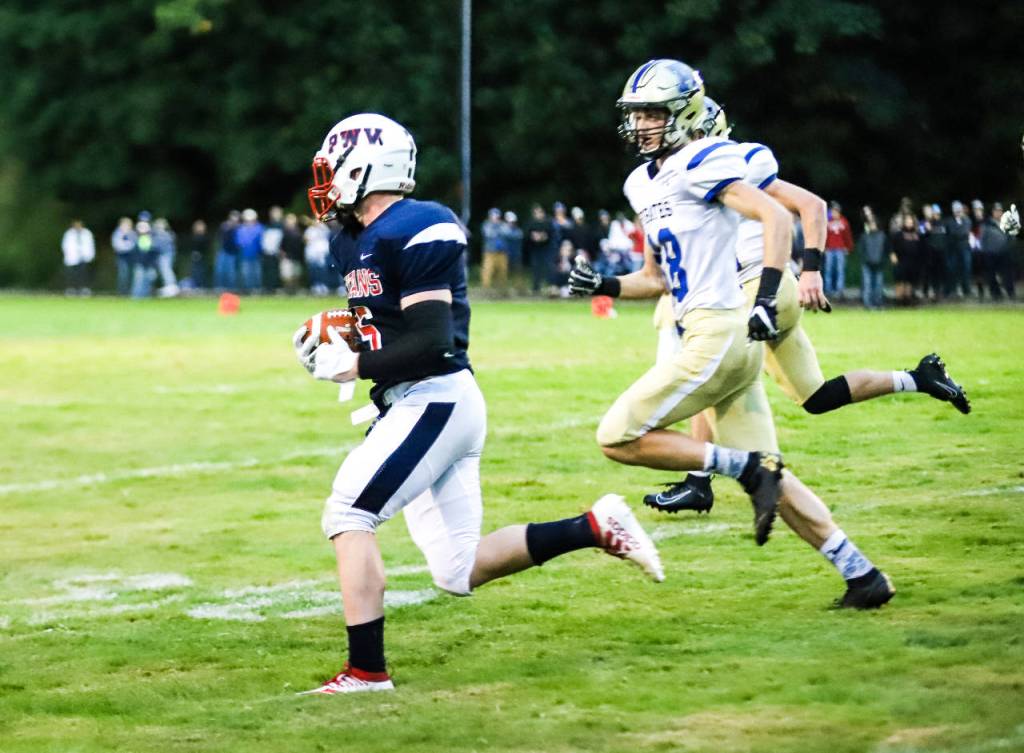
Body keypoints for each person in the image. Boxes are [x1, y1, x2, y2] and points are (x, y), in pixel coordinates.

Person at [293, 113, 663, 695]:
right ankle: (594, 526)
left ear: (368, 167)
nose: (326, 181)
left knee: (347, 516)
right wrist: (342, 333)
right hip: (422, 403)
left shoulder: (419, 225)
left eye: (334, 167)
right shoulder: (351, 239)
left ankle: (366, 672)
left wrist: (357, 363)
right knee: (457, 569)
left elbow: (431, 338)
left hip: (435, 399)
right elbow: (387, 324)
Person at [570, 59, 904, 610]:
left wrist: (770, 295)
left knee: (616, 436)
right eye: (636, 115)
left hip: (719, 332)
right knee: (772, 475)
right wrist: (603, 282)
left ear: (685, 112)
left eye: (653, 113)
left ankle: (740, 468)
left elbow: (777, 218)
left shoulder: (704, 159)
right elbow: (655, 278)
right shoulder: (639, 182)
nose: (641, 125)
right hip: (711, 335)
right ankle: (862, 575)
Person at [642, 98, 968, 519]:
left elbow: (812, 206)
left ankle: (704, 482)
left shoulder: (736, 162)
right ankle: (919, 378)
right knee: (816, 396)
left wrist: (813, 270)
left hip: (762, 288)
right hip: (764, 293)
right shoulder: (687, 175)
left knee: (709, 364)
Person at [857, 206, 888, 309]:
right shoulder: (864, 236)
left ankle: (878, 303)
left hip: (879, 264)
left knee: (878, 285)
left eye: (874, 224)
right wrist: (865, 260)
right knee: (867, 284)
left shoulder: (882, 235)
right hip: (867, 264)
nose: (872, 225)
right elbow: (861, 250)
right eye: (870, 224)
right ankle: (868, 304)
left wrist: (883, 260)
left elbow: (885, 250)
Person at [823, 200, 854, 299]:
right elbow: (824, 235)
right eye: (833, 211)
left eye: (836, 211)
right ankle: (828, 290)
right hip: (829, 249)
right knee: (828, 270)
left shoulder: (844, 222)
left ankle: (839, 290)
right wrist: (823, 246)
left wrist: (849, 247)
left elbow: (848, 236)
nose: (834, 213)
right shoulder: (827, 221)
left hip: (840, 249)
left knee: (840, 270)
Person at [891, 212, 922, 305]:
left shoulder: (917, 234)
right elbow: (892, 246)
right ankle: (898, 300)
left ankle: (907, 300)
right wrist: (892, 255)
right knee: (900, 281)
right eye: (907, 221)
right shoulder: (898, 234)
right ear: (904, 223)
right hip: (900, 261)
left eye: (911, 221)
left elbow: (921, 247)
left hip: (913, 261)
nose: (909, 223)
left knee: (909, 281)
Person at [944, 200, 973, 298]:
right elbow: (953, 233)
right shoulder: (948, 221)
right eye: (956, 210)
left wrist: (960, 233)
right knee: (953, 269)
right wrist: (961, 234)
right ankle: (953, 290)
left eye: (959, 209)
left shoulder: (967, 220)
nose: (958, 211)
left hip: (965, 248)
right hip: (953, 249)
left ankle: (966, 290)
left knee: (966, 269)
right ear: (953, 211)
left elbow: (964, 232)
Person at [61, 219, 95, 296]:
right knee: (71, 274)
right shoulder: (69, 234)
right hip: (72, 257)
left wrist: (90, 255)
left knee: (83, 274)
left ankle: (84, 289)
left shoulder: (87, 233)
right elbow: (65, 246)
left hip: (84, 257)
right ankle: (71, 289)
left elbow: (91, 245)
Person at [479, 207, 508, 292]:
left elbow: (507, 233)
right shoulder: (486, 224)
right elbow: (488, 234)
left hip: (502, 251)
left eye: (496, 215)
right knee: (487, 269)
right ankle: (486, 287)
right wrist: (497, 228)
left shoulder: (503, 224)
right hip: (489, 251)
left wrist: (499, 227)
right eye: (493, 215)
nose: (495, 217)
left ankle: (501, 288)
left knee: (502, 270)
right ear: (490, 216)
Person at [236, 208, 264, 293]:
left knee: (257, 274)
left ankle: (257, 290)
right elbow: (239, 242)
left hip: (257, 255)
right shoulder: (241, 229)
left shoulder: (260, 228)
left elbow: (262, 242)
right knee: (246, 274)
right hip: (245, 256)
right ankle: (249, 290)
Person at [153, 218, 179, 297]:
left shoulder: (168, 234)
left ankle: (171, 286)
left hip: (166, 255)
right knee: (163, 270)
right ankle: (168, 286)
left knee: (166, 270)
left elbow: (160, 246)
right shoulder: (156, 234)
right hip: (161, 255)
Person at [279, 212, 305, 295]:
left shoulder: (299, 232)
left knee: (296, 275)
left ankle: (296, 290)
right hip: (288, 256)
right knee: (287, 276)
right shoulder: (285, 232)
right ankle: (288, 290)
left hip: (297, 257)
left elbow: (301, 245)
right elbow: (282, 245)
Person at [214, 210, 240, 290]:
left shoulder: (238, 228)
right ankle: (219, 288)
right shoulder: (224, 226)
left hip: (232, 253)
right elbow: (219, 239)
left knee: (231, 273)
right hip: (223, 251)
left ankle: (231, 288)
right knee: (220, 271)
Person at [111, 217, 137, 296]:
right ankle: (122, 292)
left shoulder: (133, 233)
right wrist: (128, 246)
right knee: (123, 274)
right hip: (121, 256)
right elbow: (117, 246)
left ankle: (132, 291)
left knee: (133, 274)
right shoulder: (117, 234)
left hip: (132, 256)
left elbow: (135, 244)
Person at [261, 206, 284, 294]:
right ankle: (269, 288)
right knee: (269, 270)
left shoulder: (282, 225)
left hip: (278, 252)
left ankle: (277, 287)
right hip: (268, 251)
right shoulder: (268, 225)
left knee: (278, 271)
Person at [185, 220, 209, 290]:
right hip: (194, 257)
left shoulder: (204, 237)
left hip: (201, 257)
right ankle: (195, 286)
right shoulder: (194, 236)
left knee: (200, 272)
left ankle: (201, 286)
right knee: (194, 271)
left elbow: (205, 248)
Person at [501, 210, 523, 277]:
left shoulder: (518, 230)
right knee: (503, 268)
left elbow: (519, 235)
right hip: (504, 251)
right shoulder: (502, 227)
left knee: (516, 268)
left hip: (515, 252)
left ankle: (517, 281)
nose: (511, 223)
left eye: (512, 222)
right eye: (509, 222)